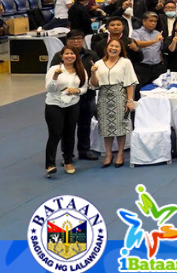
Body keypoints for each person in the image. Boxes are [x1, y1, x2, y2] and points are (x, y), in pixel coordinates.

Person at [90, 37, 137, 168]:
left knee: (121, 126)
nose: (113, 48)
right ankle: (109, 154)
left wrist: (130, 100)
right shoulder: (98, 63)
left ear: (121, 49)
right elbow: (94, 84)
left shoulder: (125, 62)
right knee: (106, 127)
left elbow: (129, 83)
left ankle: (120, 154)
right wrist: (93, 73)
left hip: (120, 95)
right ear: (107, 48)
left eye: (117, 46)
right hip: (104, 97)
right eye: (111, 46)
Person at [45, 47, 88, 176]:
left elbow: (85, 88)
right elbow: (49, 89)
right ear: (62, 56)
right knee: (55, 134)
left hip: (72, 104)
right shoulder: (54, 69)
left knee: (70, 133)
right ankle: (50, 164)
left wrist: (77, 91)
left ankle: (68, 161)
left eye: (72, 53)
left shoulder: (81, 70)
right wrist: (55, 77)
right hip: (54, 104)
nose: (69, 56)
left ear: (76, 56)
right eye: (67, 54)